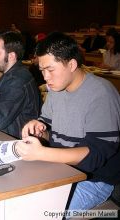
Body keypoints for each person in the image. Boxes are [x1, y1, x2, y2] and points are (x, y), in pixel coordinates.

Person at [15, 32, 120, 214]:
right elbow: (48, 129)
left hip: (94, 181)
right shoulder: (56, 89)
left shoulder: (102, 93)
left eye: (50, 69)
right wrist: (40, 131)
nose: (45, 77)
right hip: (61, 170)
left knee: (37, 212)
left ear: (71, 64)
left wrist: (42, 152)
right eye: (42, 70)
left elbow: (95, 156)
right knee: (14, 197)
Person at [0, 31, 41, 139]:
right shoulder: (12, 75)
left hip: (12, 143)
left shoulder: (17, 80)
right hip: (3, 137)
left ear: (11, 56)